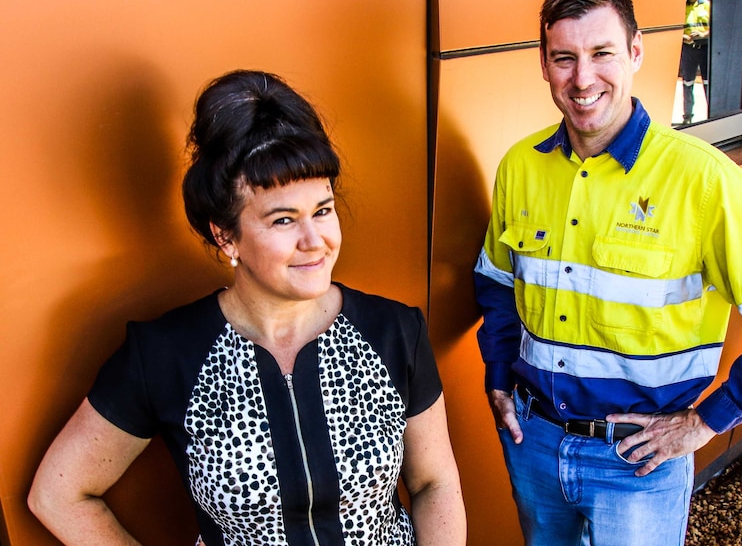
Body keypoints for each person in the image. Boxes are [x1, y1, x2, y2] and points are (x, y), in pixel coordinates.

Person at [473, 0, 742, 546]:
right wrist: (498, 375)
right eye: (564, 58)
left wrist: (705, 422)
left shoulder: (702, 179)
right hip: (534, 442)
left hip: (638, 461)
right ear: (543, 64)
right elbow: (497, 284)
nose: (583, 78)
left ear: (636, 51)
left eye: (602, 54)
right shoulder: (519, 167)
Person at [29, 69, 467, 546]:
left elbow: (433, 483)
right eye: (283, 220)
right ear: (225, 235)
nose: (315, 241)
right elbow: (58, 495)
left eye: (322, 210)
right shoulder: (164, 354)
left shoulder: (395, 331)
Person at [680, 0, 711, 124]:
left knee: (707, 83)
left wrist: (703, 34)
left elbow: (716, 28)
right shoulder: (682, 7)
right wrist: (683, 37)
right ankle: (688, 117)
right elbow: (676, 28)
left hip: (704, 48)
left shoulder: (707, 5)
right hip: (689, 49)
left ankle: (711, 115)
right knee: (687, 83)